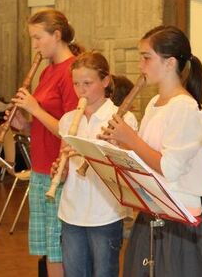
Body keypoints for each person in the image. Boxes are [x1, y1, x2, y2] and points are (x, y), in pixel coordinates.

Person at [100, 25, 202, 277]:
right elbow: (144, 157)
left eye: (146, 57)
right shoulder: (155, 103)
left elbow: (168, 167)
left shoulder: (185, 107)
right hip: (152, 210)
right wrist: (118, 145)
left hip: (179, 220)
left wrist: (130, 138)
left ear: (169, 63)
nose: (140, 65)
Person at [8, 8, 83, 277]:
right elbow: (43, 126)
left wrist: (35, 109)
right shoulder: (47, 72)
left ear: (57, 35)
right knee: (48, 250)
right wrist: (25, 125)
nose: (35, 45)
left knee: (57, 248)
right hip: (40, 168)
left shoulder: (72, 72)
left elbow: (72, 132)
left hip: (60, 171)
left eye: (38, 38)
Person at [50, 51, 138, 277]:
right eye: (76, 83)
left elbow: (127, 170)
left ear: (105, 81)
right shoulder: (68, 120)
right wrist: (60, 170)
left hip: (105, 212)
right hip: (71, 211)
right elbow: (65, 168)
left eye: (87, 83)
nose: (81, 90)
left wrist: (95, 153)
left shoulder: (122, 120)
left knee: (104, 273)